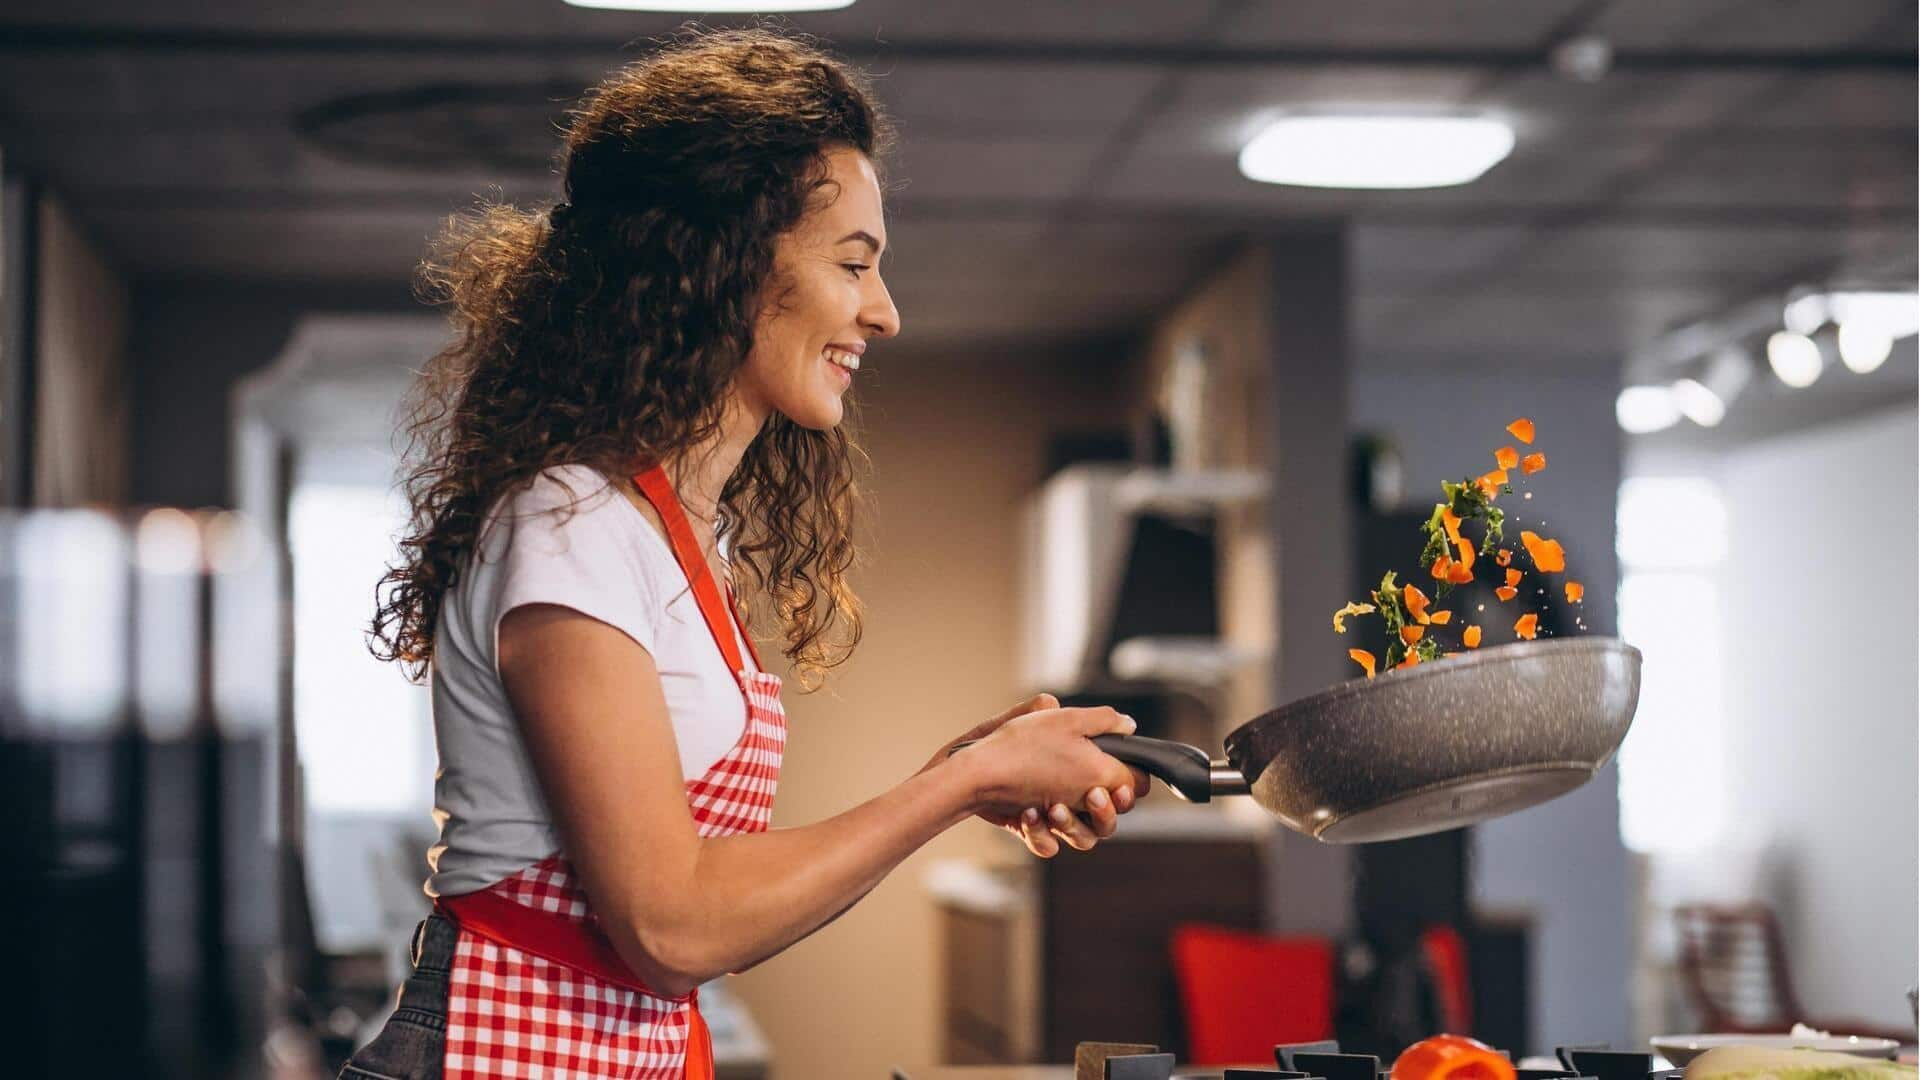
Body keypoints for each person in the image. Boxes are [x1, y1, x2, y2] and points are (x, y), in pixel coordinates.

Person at [347, 28, 1147, 1080]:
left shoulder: (669, 534)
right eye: (852, 263)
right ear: (718, 268)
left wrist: (965, 775)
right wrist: (957, 788)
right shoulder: (569, 528)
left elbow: (695, 891)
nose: (885, 312)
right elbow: (671, 926)